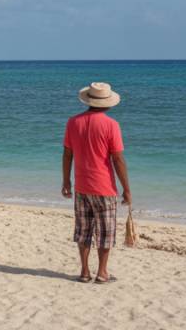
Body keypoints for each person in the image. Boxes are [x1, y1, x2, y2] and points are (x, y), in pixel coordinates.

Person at [62, 82, 131, 284]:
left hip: (82, 186)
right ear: (108, 104)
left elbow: (67, 154)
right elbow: (118, 159)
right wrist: (127, 189)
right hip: (104, 188)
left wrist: (66, 181)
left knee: (83, 230)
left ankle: (84, 272)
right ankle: (102, 272)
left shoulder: (73, 122)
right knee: (106, 232)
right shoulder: (111, 125)